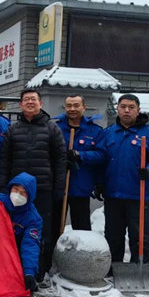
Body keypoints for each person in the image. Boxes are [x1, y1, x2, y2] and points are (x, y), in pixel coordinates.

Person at [0, 88, 66, 286]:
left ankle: (39, 271)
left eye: (33, 99)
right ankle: (16, 269)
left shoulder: (52, 128)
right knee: (15, 230)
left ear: (40, 103)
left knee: (41, 231)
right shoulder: (13, 129)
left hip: (43, 188)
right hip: (17, 191)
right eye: (26, 99)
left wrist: (59, 187)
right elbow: (5, 159)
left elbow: (60, 159)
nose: (30, 102)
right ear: (20, 104)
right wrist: (3, 186)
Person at [91, 94, 149, 263]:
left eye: (131, 107)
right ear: (117, 109)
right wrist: (99, 183)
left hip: (138, 195)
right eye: (123, 106)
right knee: (113, 236)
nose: (127, 110)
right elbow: (100, 160)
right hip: (113, 195)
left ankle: (138, 268)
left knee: (139, 237)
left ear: (138, 110)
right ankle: (114, 267)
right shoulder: (108, 133)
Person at [0, 172, 42, 297]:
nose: (18, 195)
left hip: (17, 250)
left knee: (27, 262)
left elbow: (30, 246)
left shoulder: (33, 218)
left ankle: (26, 292)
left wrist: (29, 273)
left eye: (23, 192)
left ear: (30, 196)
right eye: (16, 189)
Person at [56, 94, 104, 231]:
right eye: (69, 106)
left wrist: (80, 155)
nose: (72, 109)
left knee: (82, 228)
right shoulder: (56, 128)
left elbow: (101, 155)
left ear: (84, 107)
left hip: (81, 186)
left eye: (76, 105)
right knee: (54, 226)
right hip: (59, 186)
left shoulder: (95, 131)